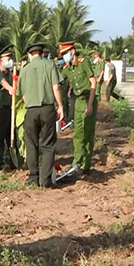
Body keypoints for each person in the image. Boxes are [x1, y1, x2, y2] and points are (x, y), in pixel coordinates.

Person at [17, 42, 64, 187]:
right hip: (47, 109)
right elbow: (56, 87)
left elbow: (22, 95)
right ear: (41, 53)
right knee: (48, 145)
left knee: (31, 144)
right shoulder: (49, 65)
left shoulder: (25, 70)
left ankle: (33, 178)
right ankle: (45, 180)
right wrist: (60, 106)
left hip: (31, 111)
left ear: (30, 54)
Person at [59, 41, 98, 175]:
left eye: (65, 53)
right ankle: (76, 162)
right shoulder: (68, 69)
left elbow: (93, 82)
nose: (64, 56)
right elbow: (58, 81)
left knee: (87, 134)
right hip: (78, 102)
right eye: (62, 54)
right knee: (78, 134)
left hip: (88, 99)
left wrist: (90, 105)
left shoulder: (83, 63)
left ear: (72, 51)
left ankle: (86, 165)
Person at [0, 45, 16, 171]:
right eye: (8, 58)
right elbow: (4, 84)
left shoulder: (11, 75)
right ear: (1, 61)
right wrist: (11, 89)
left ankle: (12, 161)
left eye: (11, 58)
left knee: (11, 137)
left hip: (9, 109)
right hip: (0, 110)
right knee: (0, 138)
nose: (10, 61)